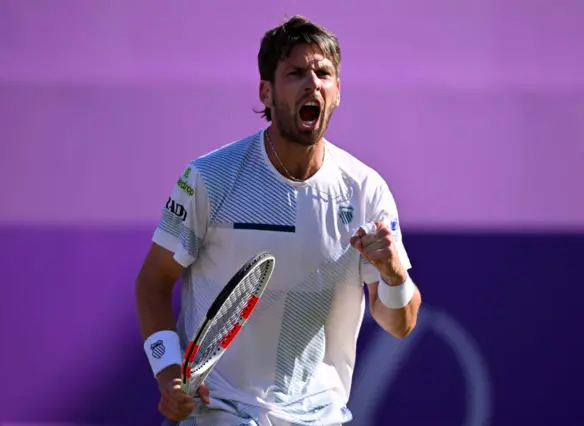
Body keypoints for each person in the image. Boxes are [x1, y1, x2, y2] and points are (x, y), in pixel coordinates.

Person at [135, 15, 422, 426]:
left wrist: (395, 276)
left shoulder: (366, 191)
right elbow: (153, 282)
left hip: (317, 418)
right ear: (266, 92)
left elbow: (400, 324)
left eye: (324, 73)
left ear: (337, 91)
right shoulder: (210, 178)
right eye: (295, 73)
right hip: (217, 412)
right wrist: (167, 373)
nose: (313, 83)